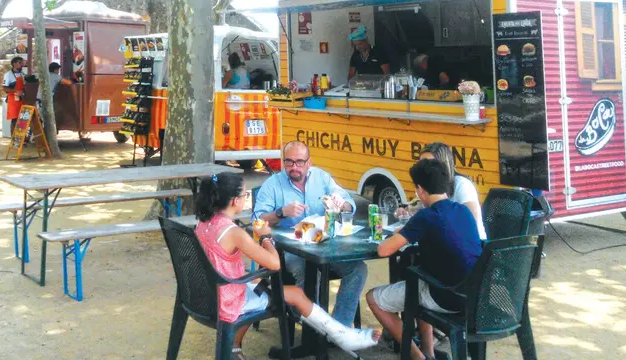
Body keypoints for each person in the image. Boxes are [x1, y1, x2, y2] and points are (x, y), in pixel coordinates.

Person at [196, 172, 379, 359]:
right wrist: (266, 236)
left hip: (209, 294)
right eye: (245, 195)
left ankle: (235, 346)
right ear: (235, 201)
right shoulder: (234, 232)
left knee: (262, 284)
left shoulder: (205, 223)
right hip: (229, 300)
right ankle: (343, 336)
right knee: (295, 294)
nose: (246, 199)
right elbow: (274, 264)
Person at [366, 159, 483, 360]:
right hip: (475, 294)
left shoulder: (426, 216)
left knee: (373, 298)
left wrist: (403, 231)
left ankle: (418, 357)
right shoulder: (463, 210)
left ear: (420, 190)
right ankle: (428, 352)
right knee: (419, 282)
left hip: (446, 296)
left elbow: (384, 250)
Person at [253, 141, 368, 327]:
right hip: (288, 249)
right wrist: (281, 213)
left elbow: (349, 205)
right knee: (309, 272)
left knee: (358, 269)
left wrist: (341, 204)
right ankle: (311, 328)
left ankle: (339, 328)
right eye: (289, 162)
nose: (294, 167)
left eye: (299, 162)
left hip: (324, 245)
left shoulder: (322, 178)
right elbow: (257, 220)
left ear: (309, 163)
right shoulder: (273, 184)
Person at [417, 142, 486, 240]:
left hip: (470, 245)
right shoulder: (427, 185)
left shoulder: (462, 185)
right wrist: (407, 210)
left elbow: (471, 223)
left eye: (429, 164)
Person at [3, 56, 26, 135]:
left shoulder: (22, 74)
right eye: (20, 63)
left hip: (22, 100)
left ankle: (21, 138)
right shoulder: (8, 75)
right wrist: (16, 91)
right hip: (13, 101)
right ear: (14, 64)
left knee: (22, 119)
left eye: (22, 63)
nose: (22, 65)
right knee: (15, 120)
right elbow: (5, 89)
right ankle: (14, 139)